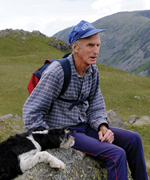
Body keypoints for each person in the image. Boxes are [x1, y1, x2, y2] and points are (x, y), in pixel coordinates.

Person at [23, 20, 148, 180]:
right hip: (66, 131)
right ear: (75, 47)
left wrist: (102, 127)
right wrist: (50, 138)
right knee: (116, 154)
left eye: (98, 45)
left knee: (134, 139)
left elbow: (96, 106)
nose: (96, 50)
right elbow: (31, 111)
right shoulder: (57, 73)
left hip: (85, 126)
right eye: (90, 45)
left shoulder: (93, 70)